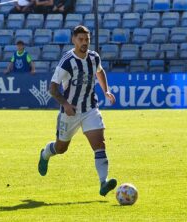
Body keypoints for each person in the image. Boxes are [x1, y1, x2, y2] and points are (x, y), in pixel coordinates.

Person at [38, 25, 117, 197]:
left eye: (87, 40)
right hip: (70, 112)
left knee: (100, 145)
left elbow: (100, 71)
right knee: (61, 148)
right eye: (80, 39)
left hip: (90, 109)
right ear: (73, 39)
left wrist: (106, 91)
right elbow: (52, 88)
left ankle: (103, 182)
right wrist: (65, 104)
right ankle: (45, 154)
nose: (84, 43)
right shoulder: (67, 61)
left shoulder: (94, 57)